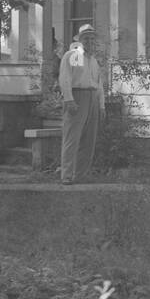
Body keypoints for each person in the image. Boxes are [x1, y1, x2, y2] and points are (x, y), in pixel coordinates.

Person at [58, 23, 106, 185]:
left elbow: (99, 84)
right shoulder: (73, 55)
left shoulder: (93, 61)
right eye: (86, 38)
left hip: (92, 98)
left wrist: (101, 105)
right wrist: (69, 99)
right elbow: (65, 78)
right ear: (79, 40)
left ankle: (81, 174)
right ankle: (67, 175)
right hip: (77, 97)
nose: (90, 41)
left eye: (92, 38)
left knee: (89, 140)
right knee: (72, 137)